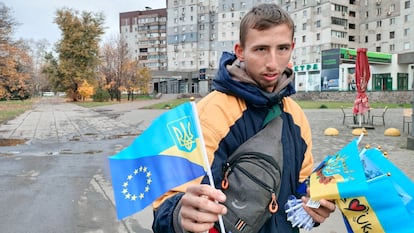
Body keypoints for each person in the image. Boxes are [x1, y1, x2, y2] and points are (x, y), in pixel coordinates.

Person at [152, 3, 335, 233]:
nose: (272, 62)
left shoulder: (295, 115)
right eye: (260, 49)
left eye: (282, 48)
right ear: (240, 51)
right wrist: (179, 215)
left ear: (292, 47)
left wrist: (315, 206)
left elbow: (302, 188)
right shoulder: (210, 112)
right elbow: (165, 205)